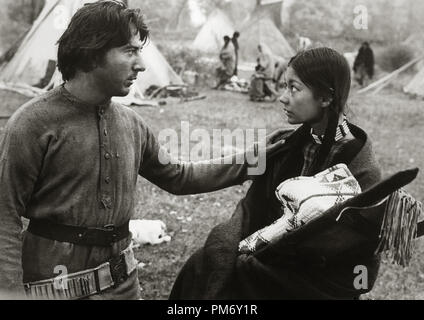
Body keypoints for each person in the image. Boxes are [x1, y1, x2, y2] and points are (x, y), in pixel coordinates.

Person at [0, 1, 283, 300]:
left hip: (124, 285)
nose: (142, 64)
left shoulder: (131, 123)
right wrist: (9, 292)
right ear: (93, 51)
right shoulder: (31, 124)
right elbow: (4, 215)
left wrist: (255, 159)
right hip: (53, 287)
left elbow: (178, 176)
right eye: (130, 51)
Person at [170, 47, 384, 300]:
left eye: (293, 88)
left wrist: (268, 259)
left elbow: (357, 252)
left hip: (314, 277)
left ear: (325, 98)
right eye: (284, 87)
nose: (283, 97)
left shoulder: (361, 168)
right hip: (266, 254)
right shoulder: (287, 146)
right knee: (201, 266)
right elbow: (254, 209)